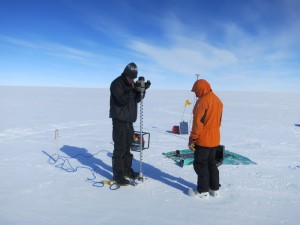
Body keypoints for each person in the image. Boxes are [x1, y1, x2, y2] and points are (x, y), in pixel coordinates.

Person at [109, 62, 147, 185]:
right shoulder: (116, 84)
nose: (132, 80)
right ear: (125, 74)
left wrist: (142, 91)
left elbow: (136, 99)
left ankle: (126, 171)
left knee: (127, 148)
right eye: (130, 77)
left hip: (129, 121)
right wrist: (132, 89)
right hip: (119, 121)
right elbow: (122, 100)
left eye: (134, 78)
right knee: (119, 149)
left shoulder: (130, 84)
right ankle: (118, 176)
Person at [188, 79, 223, 198]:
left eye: (196, 91)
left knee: (200, 164)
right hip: (215, 138)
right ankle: (214, 189)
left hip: (203, 139)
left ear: (201, 89)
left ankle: (203, 191)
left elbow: (198, 123)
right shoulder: (218, 100)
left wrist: (193, 138)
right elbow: (219, 121)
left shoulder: (202, 101)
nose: (195, 94)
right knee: (211, 163)